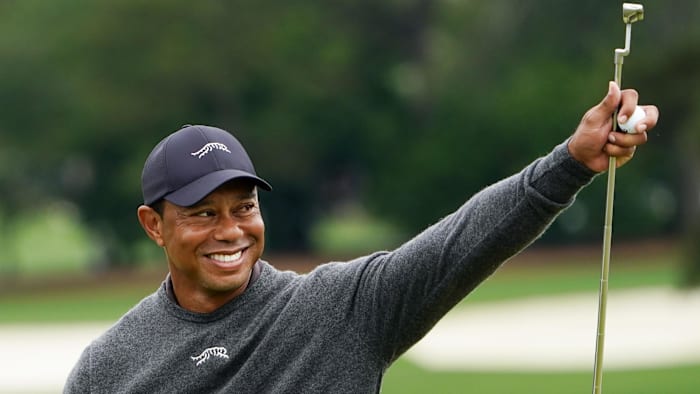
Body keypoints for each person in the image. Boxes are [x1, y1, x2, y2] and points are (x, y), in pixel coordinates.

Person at [64, 81, 658, 393]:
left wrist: (572, 161)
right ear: (154, 226)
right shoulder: (108, 371)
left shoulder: (343, 311)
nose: (232, 231)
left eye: (243, 208)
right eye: (202, 214)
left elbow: (465, 241)